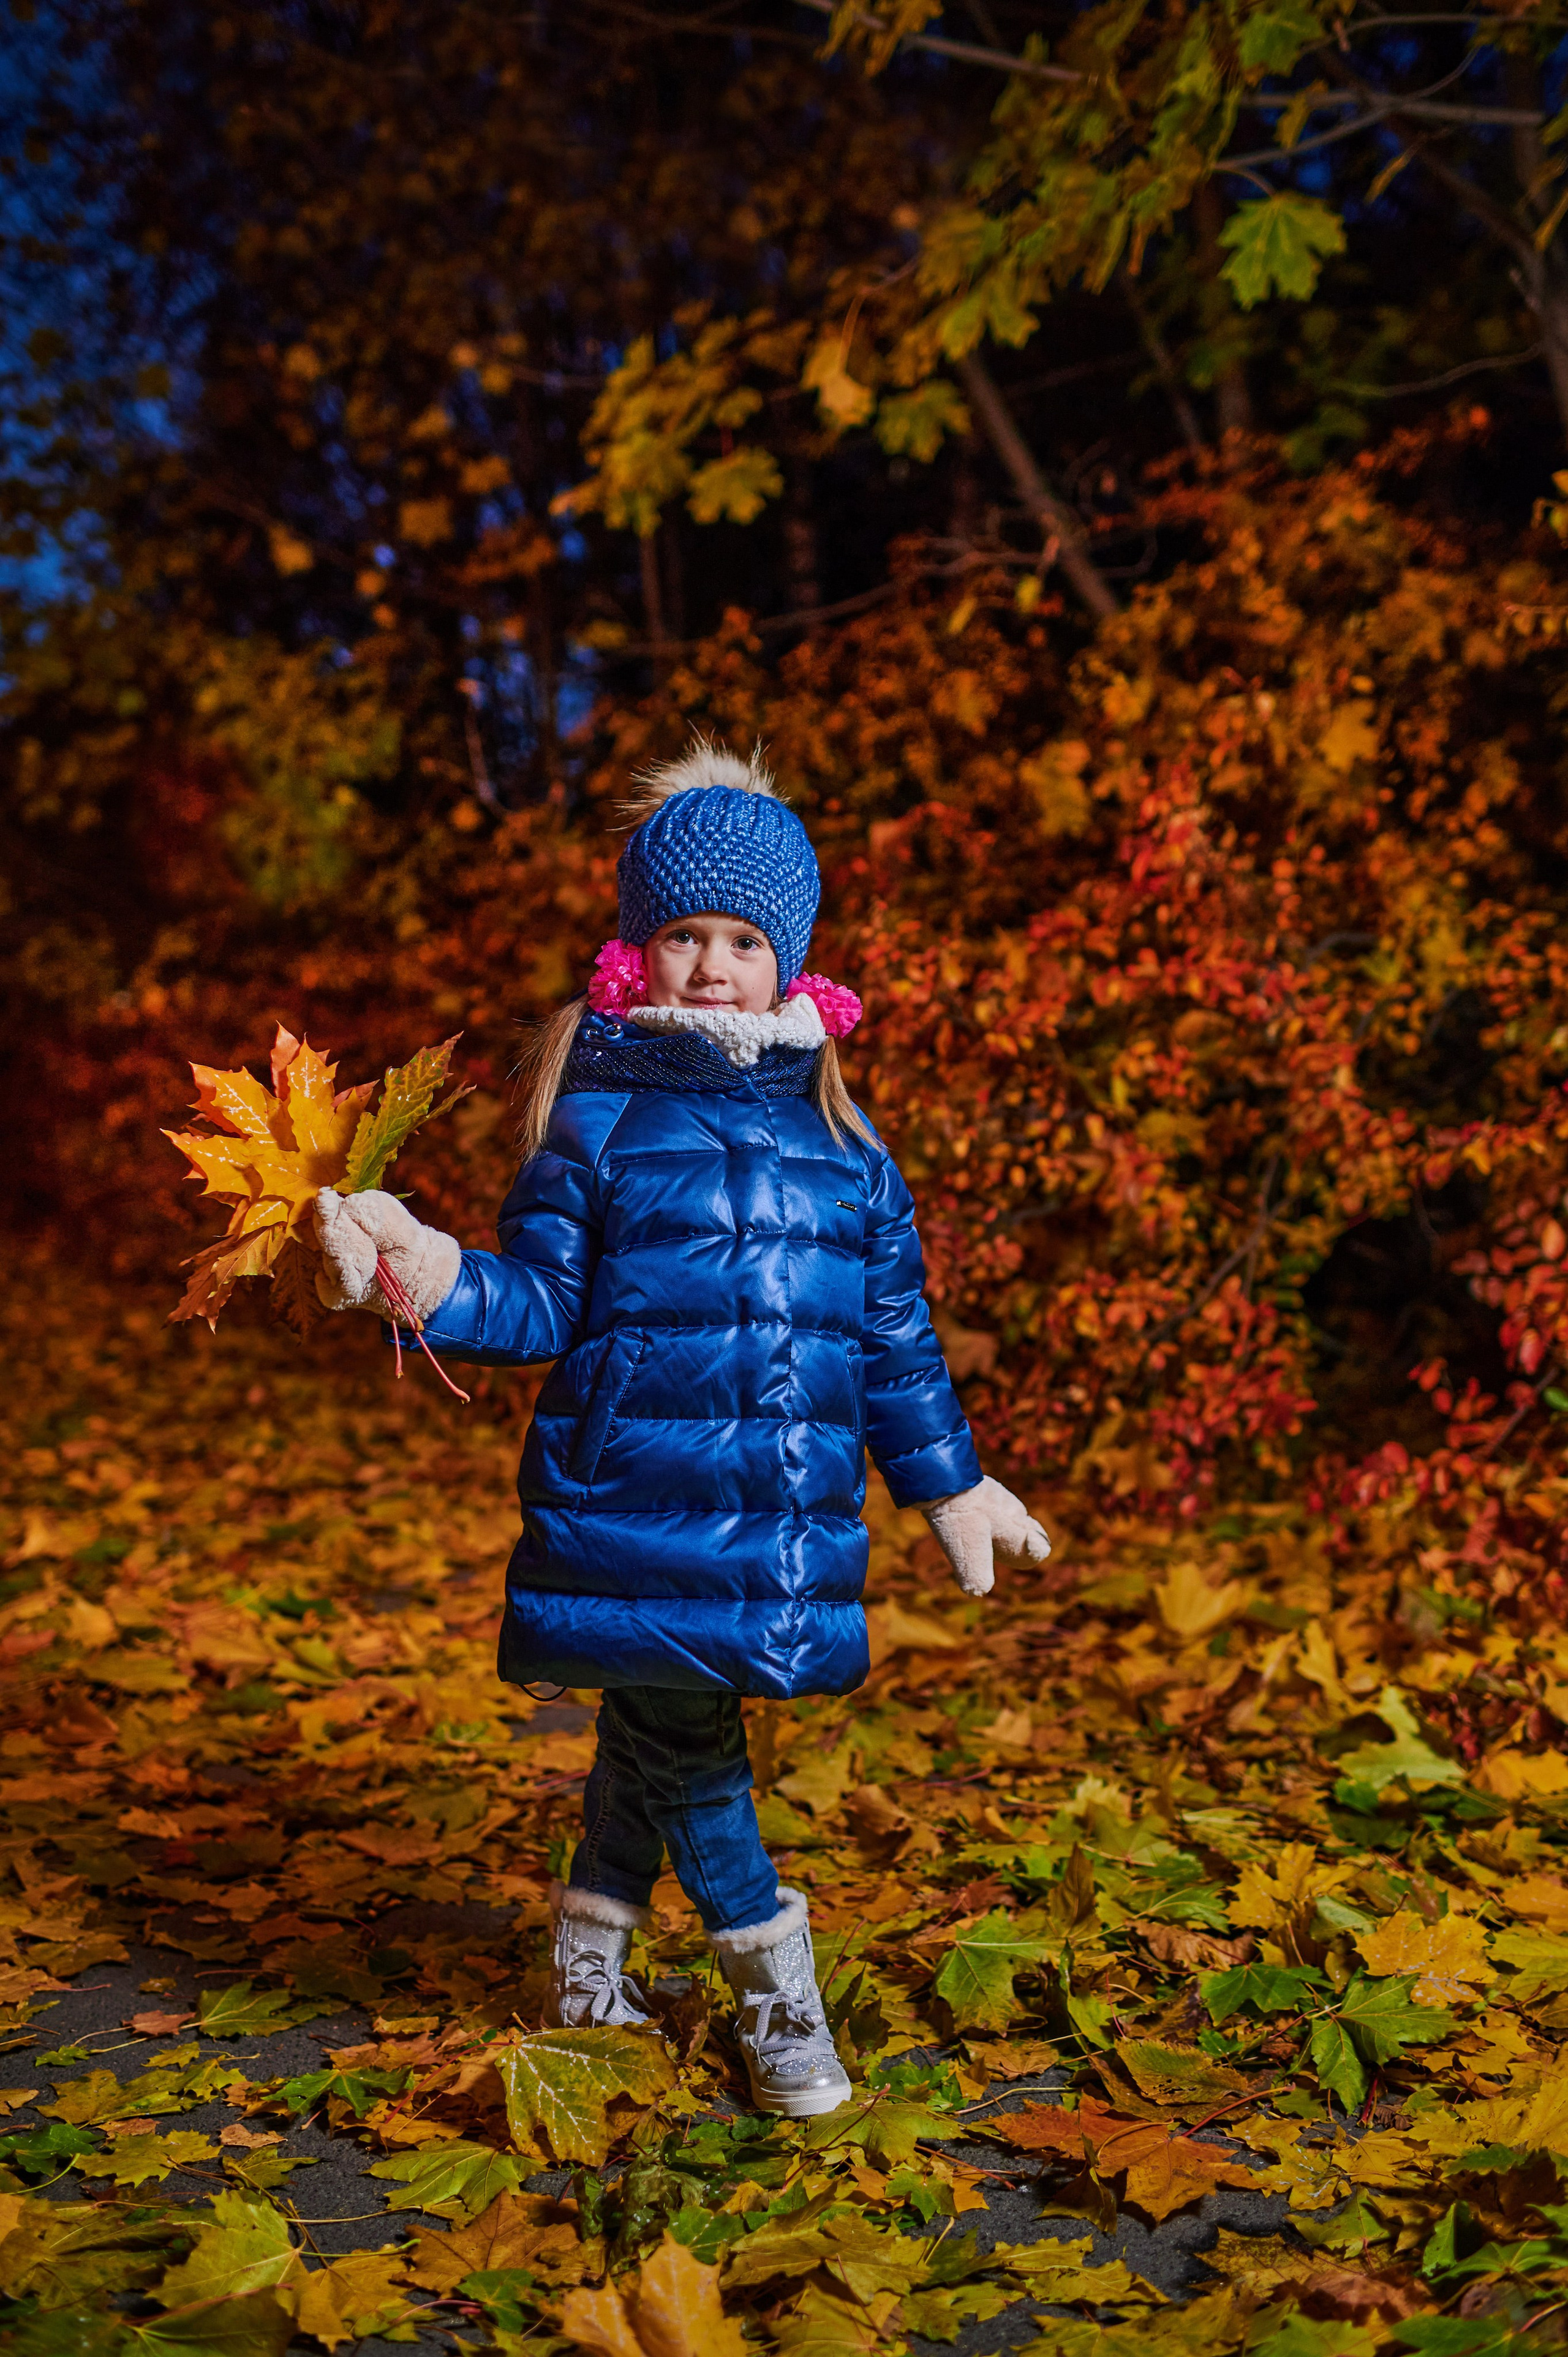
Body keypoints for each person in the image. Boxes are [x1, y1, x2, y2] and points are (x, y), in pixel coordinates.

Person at [312, 742, 1050, 2118]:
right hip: (630, 1501)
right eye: (681, 936)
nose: (711, 964)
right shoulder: (595, 1126)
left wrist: (950, 1485)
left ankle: (589, 1967)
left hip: (780, 1513)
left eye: (740, 939)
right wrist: (419, 1272)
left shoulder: (850, 1147)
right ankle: (779, 2008)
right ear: (635, 953)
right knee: (694, 1740)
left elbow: (887, 1336)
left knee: (660, 1726)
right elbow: (532, 1303)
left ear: (788, 959)